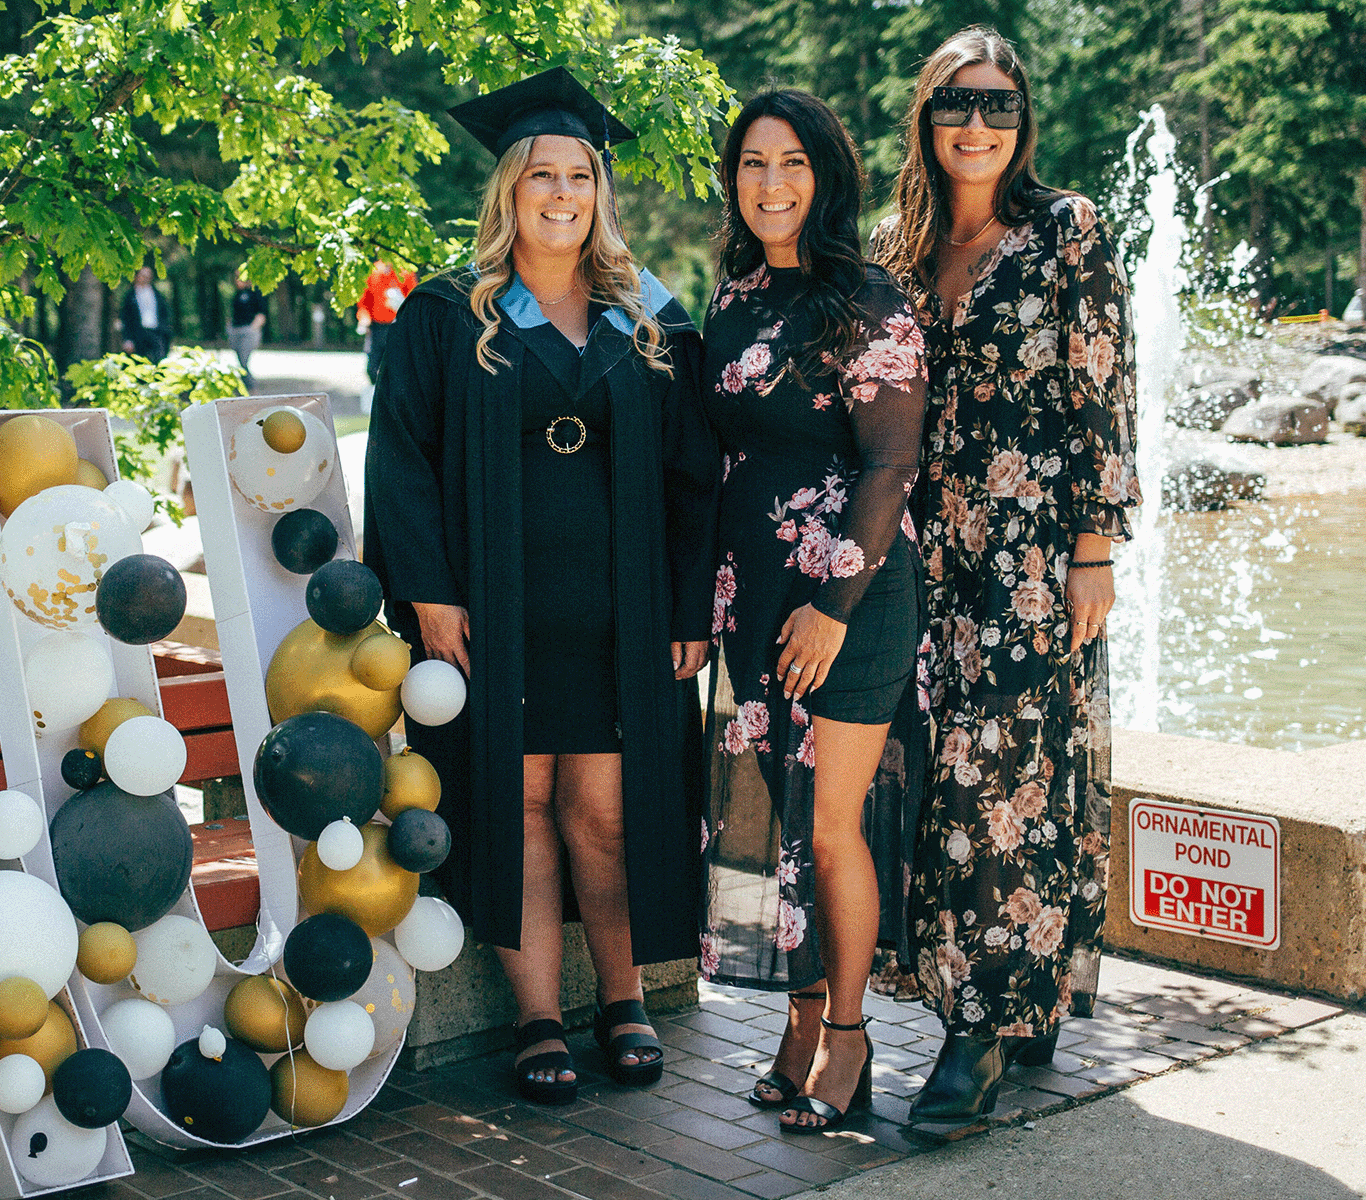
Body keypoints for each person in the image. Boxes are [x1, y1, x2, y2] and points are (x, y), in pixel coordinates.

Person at [364, 67, 718, 1105]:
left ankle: (621, 1000)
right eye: (541, 176)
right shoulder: (445, 314)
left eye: (580, 175)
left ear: (600, 194)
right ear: (510, 192)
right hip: (496, 609)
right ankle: (533, 1018)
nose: (561, 193)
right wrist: (428, 594)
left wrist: (691, 607)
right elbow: (403, 459)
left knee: (604, 812)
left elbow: (698, 476)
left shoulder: (653, 319)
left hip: (622, 608)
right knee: (516, 803)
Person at [871, 26, 1140, 1121]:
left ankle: (975, 1035)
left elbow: (1105, 395)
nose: (976, 125)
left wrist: (1093, 550)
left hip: (1028, 559)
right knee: (934, 777)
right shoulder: (891, 244)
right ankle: (1012, 999)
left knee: (1007, 784)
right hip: (914, 553)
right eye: (955, 104)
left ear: (1023, 124)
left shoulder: (1066, 231)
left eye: (997, 106)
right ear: (926, 118)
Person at [698, 90, 928, 1133]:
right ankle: (795, 1025)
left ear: (825, 175)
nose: (772, 183)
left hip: (853, 594)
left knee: (831, 829)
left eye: (792, 163)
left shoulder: (868, 298)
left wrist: (834, 605)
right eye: (753, 162)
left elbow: (891, 461)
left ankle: (849, 1039)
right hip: (753, 593)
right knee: (775, 823)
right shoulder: (732, 299)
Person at [357, 258, 416, 393]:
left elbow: (413, 300)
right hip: (377, 328)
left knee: (398, 366)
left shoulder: (405, 272)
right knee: (372, 368)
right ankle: (379, 395)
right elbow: (364, 303)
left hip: (398, 327)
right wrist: (364, 319)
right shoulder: (373, 272)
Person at [118, 265, 174, 363]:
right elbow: (125, 319)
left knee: (159, 362)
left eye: (148, 276)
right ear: (137, 276)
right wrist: (127, 339)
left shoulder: (158, 295)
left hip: (156, 333)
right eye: (143, 275)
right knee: (138, 364)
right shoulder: (130, 296)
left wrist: (166, 332)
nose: (146, 278)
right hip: (138, 335)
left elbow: (165, 315)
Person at [228, 266, 269, 390]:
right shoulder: (237, 294)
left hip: (248, 331)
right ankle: (243, 387)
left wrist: (253, 328)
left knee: (244, 361)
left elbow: (261, 314)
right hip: (236, 330)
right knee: (240, 361)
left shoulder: (255, 293)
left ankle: (251, 386)